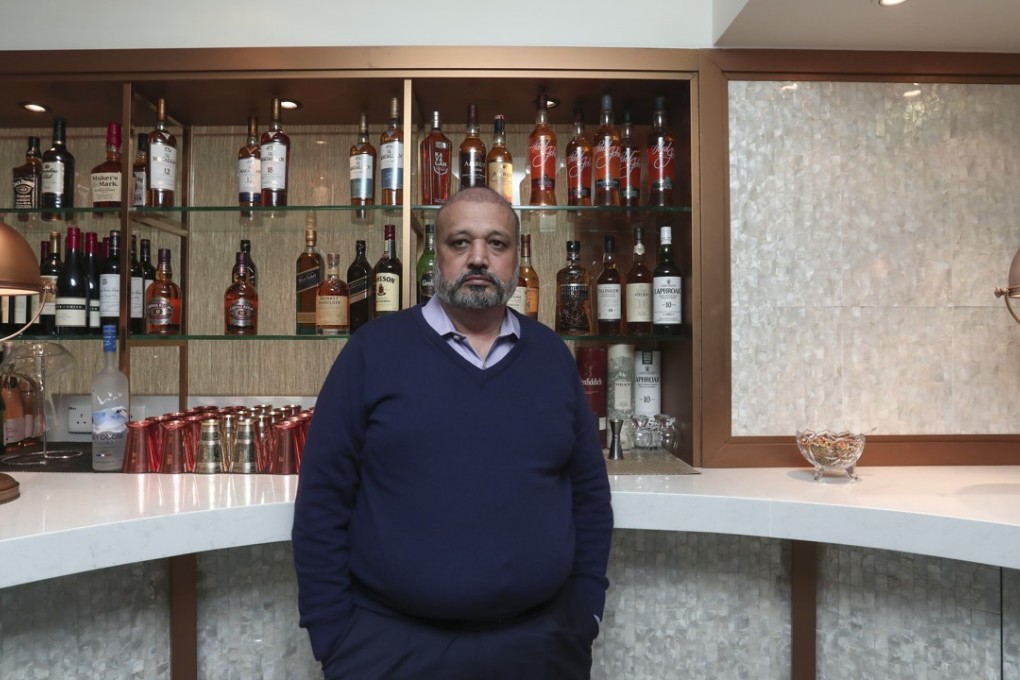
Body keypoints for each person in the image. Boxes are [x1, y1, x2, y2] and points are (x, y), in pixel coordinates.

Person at [292, 186, 614, 679]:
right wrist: (333, 633)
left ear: (516, 256)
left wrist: (584, 612)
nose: (478, 258)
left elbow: (588, 494)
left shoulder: (551, 356)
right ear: (435, 256)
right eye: (460, 242)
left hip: (541, 645)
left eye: (497, 243)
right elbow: (322, 498)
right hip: (390, 645)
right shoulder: (372, 351)